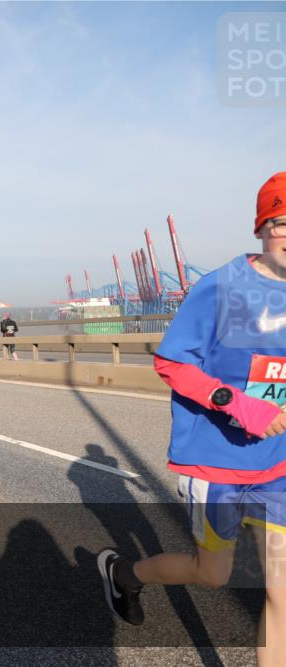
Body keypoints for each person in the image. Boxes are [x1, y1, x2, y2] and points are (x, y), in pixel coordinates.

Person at [97, 172, 286, 667]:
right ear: (261, 228)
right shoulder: (222, 288)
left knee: (282, 595)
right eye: (282, 223)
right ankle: (125, 575)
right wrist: (241, 405)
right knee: (214, 575)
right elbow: (173, 363)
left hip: (278, 466)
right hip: (216, 465)